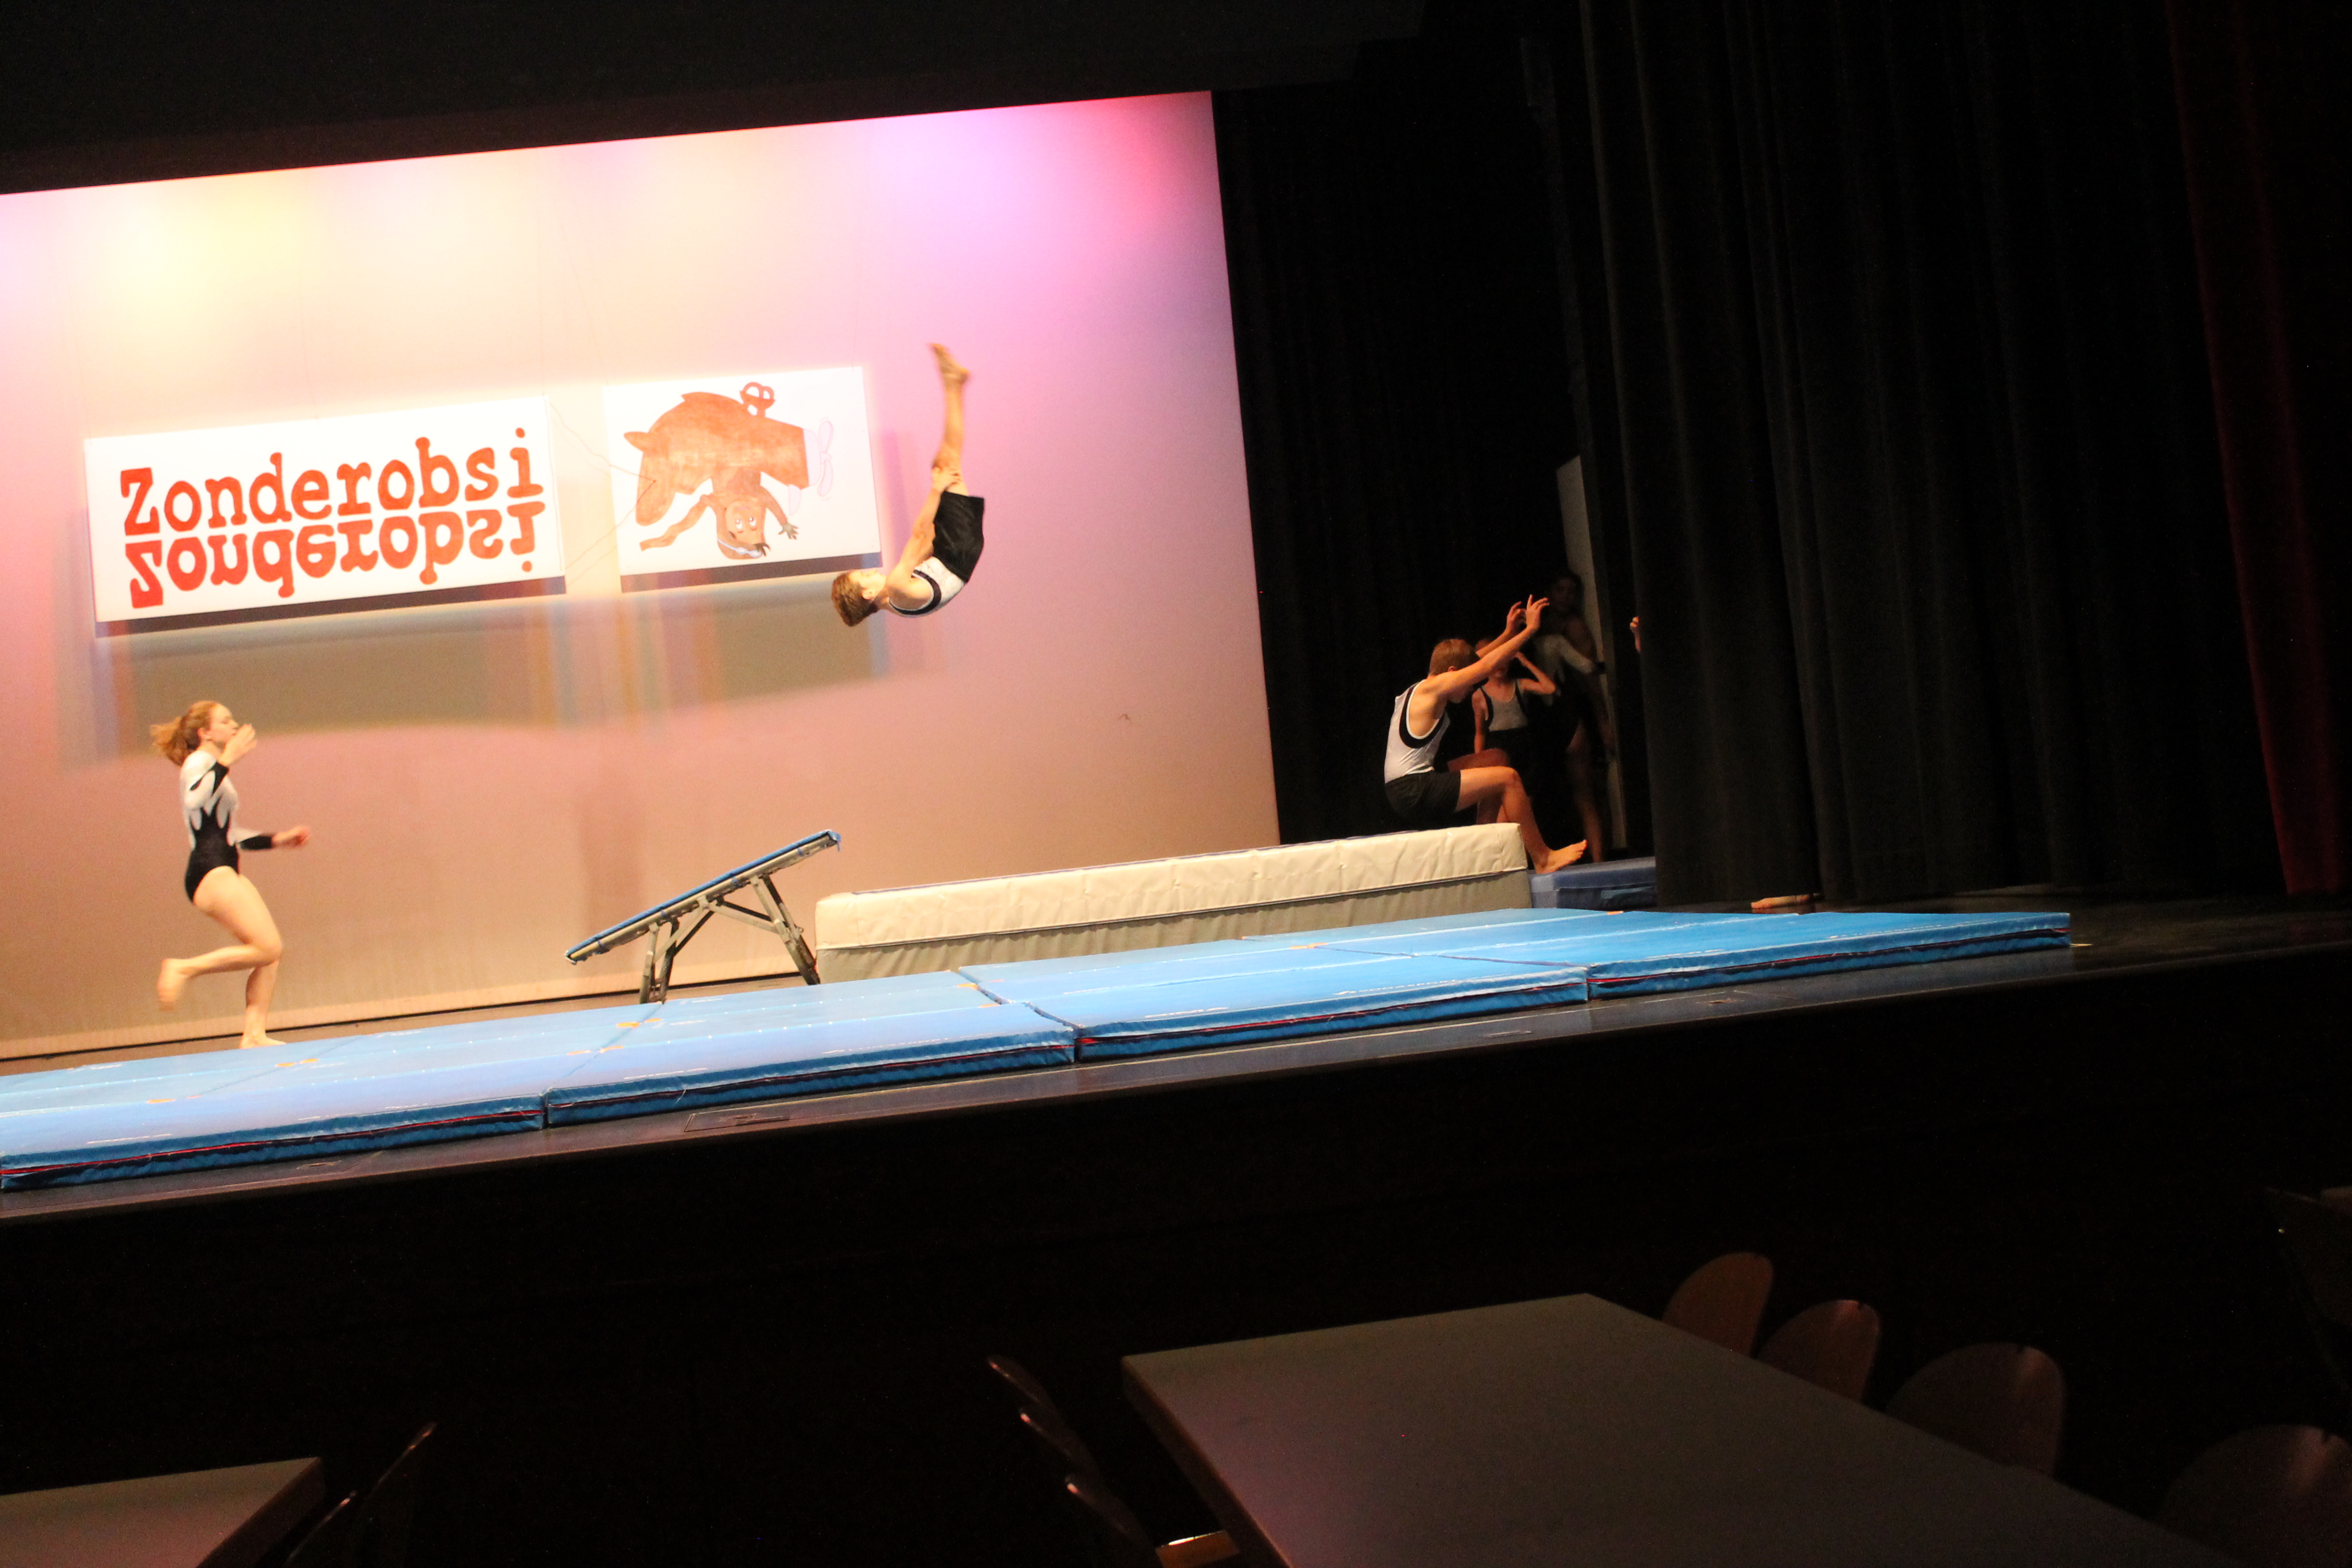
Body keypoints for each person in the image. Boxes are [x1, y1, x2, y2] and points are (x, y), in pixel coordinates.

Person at [1384, 598, 1587, 872]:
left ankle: (1484, 844)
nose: (1470, 689)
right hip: (1413, 790)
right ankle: (1543, 858)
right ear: (1452, 674)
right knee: (1509, 779)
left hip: (1410, 785)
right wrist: (1529, 631)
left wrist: (1508, 633)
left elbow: (1476, 662)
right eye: (1466, 682)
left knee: (1496, 758)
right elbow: (1484, 666)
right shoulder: (1434, 689)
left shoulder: (1421, 688)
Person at [151, 701, 311, 1047]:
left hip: (223, 865)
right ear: (205, 732)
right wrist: (227, 760)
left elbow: (230, 835)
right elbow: (194, 801)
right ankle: (183, 968)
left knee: (269, 952)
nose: (234, 725)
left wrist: (277, 840)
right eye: (225, 721)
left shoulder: (212, 767)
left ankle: (254, 1034)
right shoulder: (198, 762)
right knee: (267, 947)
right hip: (209, 870)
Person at [832, 344, 983, 624]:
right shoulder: (897, 589)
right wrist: (937, 489)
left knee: (945, 463)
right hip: (957, 549)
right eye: (865, 576)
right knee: (948, 464)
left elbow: (925, 544)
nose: (872, 571)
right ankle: (953, 384)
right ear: (868, 594)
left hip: (953, 553)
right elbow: (918, 535)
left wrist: (938, 514)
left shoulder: (897, 603)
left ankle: (953, 384)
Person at [1526, 570, 1615, 861]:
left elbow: (1589, 673)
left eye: (1571, 591)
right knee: (1541, 791)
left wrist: (1603, 721)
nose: (1566, 597)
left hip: (1569, 710)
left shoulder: (1572, 627)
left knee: (1586, 790)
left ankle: (1599, 861)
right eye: (1560, 590)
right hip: (1539, 715)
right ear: (1549, 592)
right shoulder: (1533, 628)